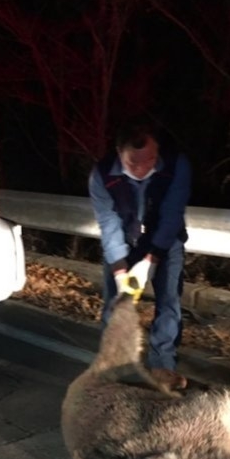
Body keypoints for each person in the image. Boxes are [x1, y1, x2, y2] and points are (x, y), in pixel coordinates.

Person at [88, 118, 191, 380]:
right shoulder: (101, 175)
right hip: (124, 241)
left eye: (150, 159)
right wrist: (121, 271)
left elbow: (172, 214)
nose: (144, 168)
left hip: (166, 242)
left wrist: (151, 260)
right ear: (119, 153)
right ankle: (113, 364)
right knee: (117, 303)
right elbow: (108, 223)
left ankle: (163, 366)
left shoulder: (175, 165)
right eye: (134, 162)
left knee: (168, 303)